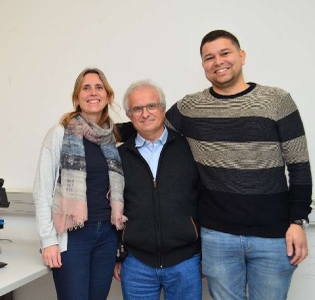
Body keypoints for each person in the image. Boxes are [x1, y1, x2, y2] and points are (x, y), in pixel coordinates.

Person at [165, 30, 313, 299]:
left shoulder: (277, 101)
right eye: (209, 57)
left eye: (225, 53)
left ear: (241, 56)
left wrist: (298, 222)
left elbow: (299, 165)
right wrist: (92, 125)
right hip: (217, 236)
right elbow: (147, 126)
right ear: (203, 66)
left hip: (274, 236)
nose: (217, 61)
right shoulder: (191, 107)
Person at [33, 67, 127, 300]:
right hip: (73, 236)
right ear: (77, 97)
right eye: (86, 88)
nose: (93, 92)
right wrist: (48, 241)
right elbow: (42, 190)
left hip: (106, 235)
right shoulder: (60, 134)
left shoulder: (111, 138)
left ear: (107, 95)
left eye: (99, 87)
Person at [114, 80, 202, 300]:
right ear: (129, 114)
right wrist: (118, 255)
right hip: (136, 264)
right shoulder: (119, 156)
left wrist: (204, 253)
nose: (145, 114)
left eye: (151, 106)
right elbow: (113, 204)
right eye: (137, 109)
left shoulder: (189, 149)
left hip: (186, 261)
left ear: (163, 109)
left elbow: (204, 200)